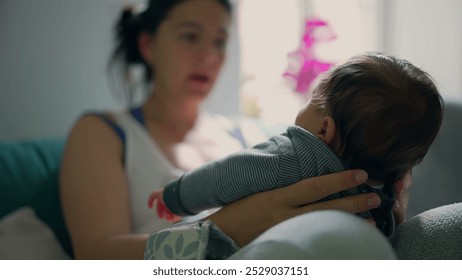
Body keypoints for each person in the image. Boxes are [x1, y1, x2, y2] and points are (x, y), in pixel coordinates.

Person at [60, 0, 409, 260]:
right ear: (148, 45)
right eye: (190, 36)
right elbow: (94, 257)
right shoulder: (104, 132)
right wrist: (222, 230)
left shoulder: (246, 135)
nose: (208, 56)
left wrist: (382, 212)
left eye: (219, 42)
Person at [149, 52, 443, 239]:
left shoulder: (291, 155)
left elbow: (226, 176)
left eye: (310, 100)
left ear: (324, 128)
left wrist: (176, 196)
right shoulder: (380, 198)